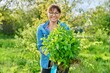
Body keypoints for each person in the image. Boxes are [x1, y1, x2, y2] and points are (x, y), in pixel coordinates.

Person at [36, 4, 70, 73]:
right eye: (51, 13)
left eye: (56, 13)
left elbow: (69, 43)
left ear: (60, 14)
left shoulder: (65, 27)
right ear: (47, 14)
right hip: (47, 62)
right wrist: (51, 55)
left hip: (62, 62)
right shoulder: (41, 28)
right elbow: (40, 46)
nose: (53, 15)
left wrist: (60, 54)